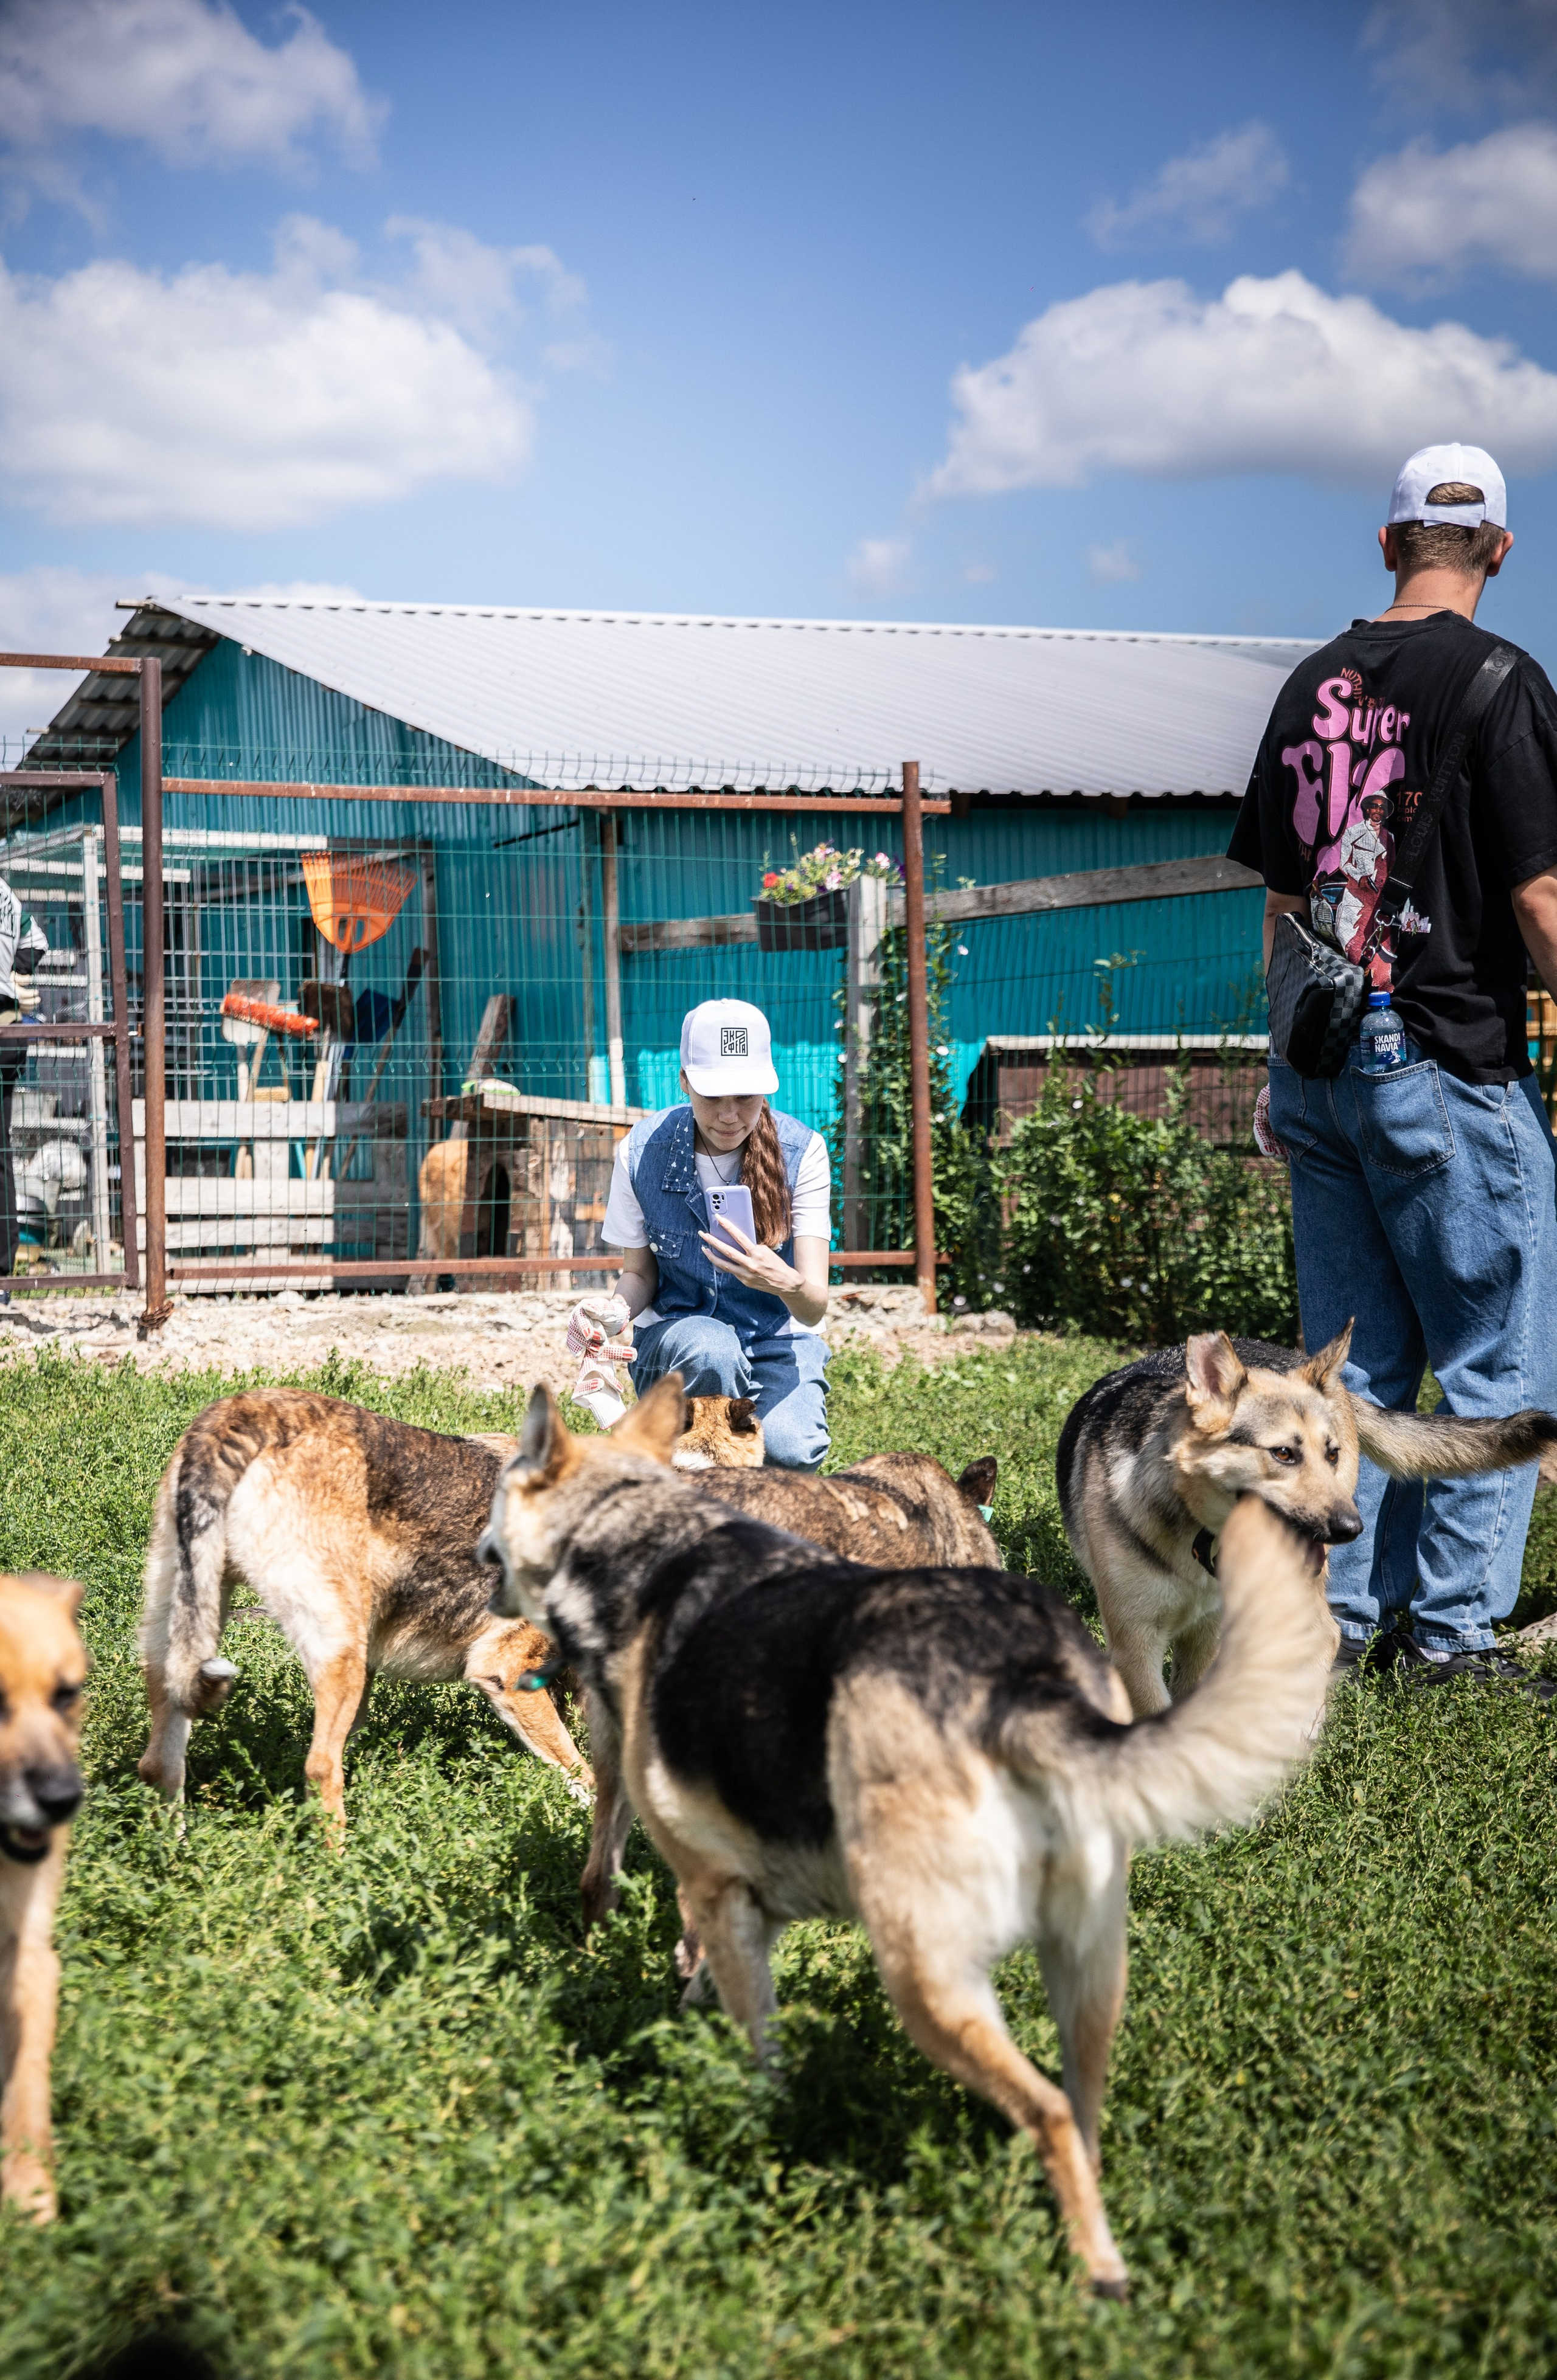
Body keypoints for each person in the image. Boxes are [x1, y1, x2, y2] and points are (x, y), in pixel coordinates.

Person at [1230, 441, 1557, 1692]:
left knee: (1347, 1362)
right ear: (1500, 551)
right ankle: (1449, 1639)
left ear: (1384, 544)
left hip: (1317, 1059)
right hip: (1441, 1062)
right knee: (1494, 1355)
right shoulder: (1501, 683)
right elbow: (1534, 900)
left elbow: (1277, 897)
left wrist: (1276, 1067)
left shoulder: (1307, 684)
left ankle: (1336, 1625)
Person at [569, 998, 832, 1470]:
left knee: (789, 1452)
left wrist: (784, 1282)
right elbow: (639, 1274)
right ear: (685, 1082)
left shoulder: (804, 1152)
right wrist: (611, 1315)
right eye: (712, 1097)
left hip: (776, 1337)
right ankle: (693, 1488)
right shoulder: (640, 1151)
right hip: (681, 1342)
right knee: (710, 1346)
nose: (730, 1115)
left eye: (746, 1096)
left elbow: (814, 1306)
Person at [0, 876, 47, 1296]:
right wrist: (16, 977)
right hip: (9, 1031)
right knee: (1, 1150)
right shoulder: (6, 894)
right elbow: (36, 941)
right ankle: (2, 1265)